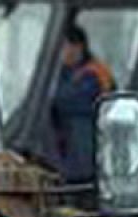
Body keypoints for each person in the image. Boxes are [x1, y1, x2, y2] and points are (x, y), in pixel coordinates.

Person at [49, 22, 114, 184]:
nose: (60, 52)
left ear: (77, 47)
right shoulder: (66, 72)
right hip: (67, 153)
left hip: (86, 158)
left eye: (63, 46)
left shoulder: (94, 75)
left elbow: (62, 102)